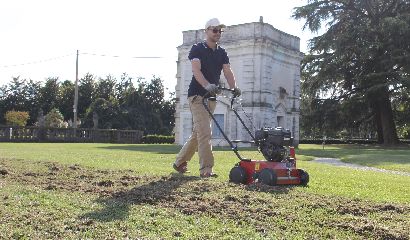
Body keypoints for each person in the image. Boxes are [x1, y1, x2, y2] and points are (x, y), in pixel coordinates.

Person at [173, 18, 241, 178]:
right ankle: (206, 169)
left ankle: (179, 162)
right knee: (205, 132)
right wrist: (206, 85)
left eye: (220, 31)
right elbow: (196, 70)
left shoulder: (222, 52)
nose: (218, 33)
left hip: (211, 98)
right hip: (197, 96)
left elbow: (228, 71)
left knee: (198, 133)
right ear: (207, 31)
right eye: (214, 30)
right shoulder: (197, 49)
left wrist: (234, 88)